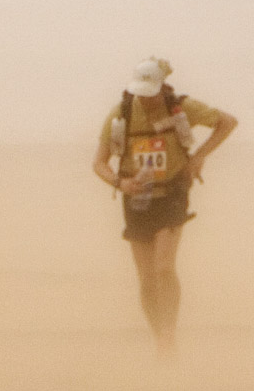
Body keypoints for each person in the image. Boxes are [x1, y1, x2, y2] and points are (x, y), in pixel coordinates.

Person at [91, 58, 236, 359]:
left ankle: (168, 335)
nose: (146, 98)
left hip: (171, 194)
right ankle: (160, 338)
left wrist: (199, 156)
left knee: (164, 269)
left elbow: (228, 122)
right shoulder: (122, 115)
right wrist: (121, 183)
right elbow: (99, 164)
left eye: (151, 92)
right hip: (137, 200)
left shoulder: (181, 108)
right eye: (141, 92)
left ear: (162, 87)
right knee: (146, 278)